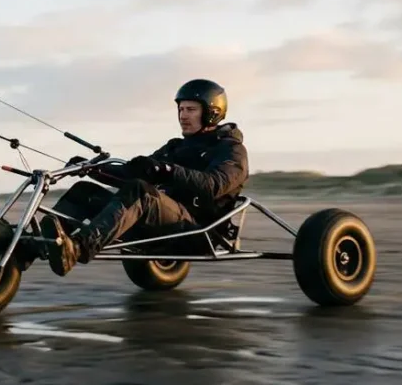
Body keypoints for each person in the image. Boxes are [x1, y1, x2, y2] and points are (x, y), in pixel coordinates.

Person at [38, 78, 250, 276]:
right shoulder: (175, 147)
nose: (183, 116)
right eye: (181, 109)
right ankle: (33, 246)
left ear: (212, 113)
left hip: (196, 232)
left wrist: (166, 170)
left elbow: (215, 184)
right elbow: (130, 174)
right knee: (84, 191)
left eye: (191, 110)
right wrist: (91, 168)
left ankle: (79, 248)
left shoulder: (231, 149)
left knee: (140, 191)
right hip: (159, 223)